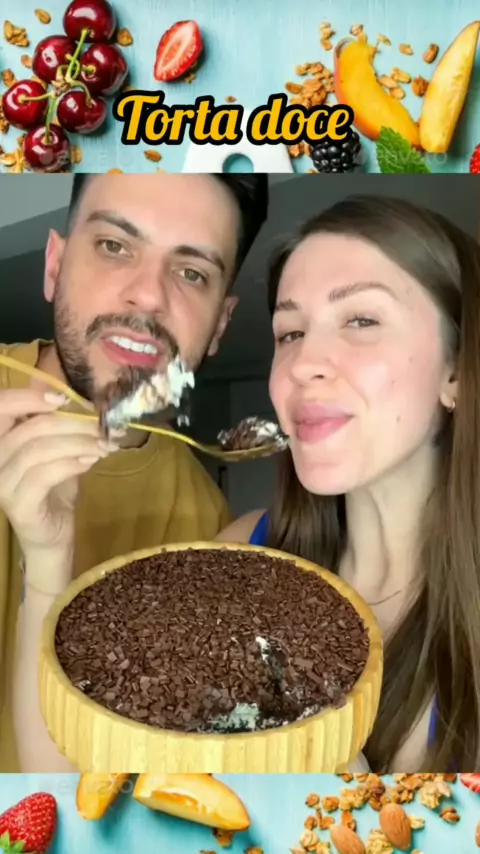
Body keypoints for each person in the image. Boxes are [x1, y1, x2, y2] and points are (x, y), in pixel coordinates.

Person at [0, 171, 268, 771]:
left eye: (192, 273)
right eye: (114, 246)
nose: (148, 296)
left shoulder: (207, 523)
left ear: (221, 325)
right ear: (54, 266)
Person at [219, 193, 480, 772]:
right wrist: (47, 559)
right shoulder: (238, 558)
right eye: (290, 333)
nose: (303, 364)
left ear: (456, 371)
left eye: (362, 320)